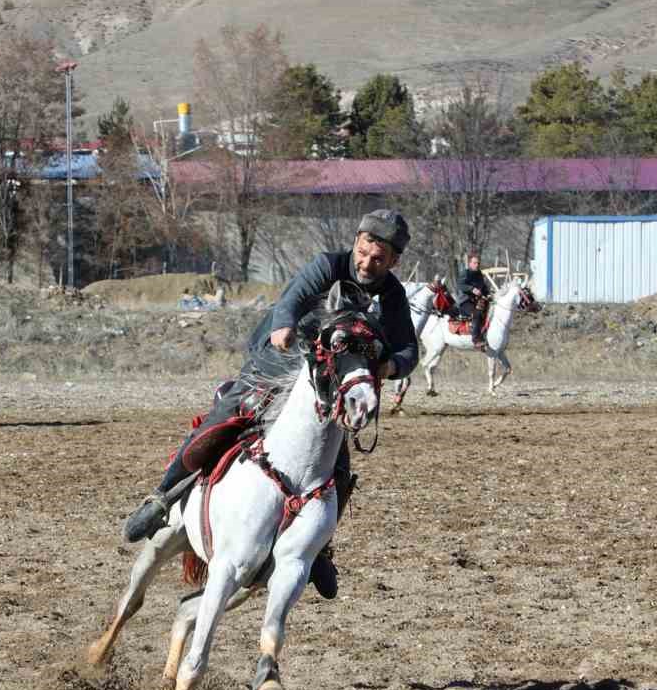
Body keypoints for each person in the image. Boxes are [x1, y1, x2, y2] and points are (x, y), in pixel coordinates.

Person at [121, 209, 419, 599]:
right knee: (225, 415)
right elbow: (291, 299)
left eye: (378, 259)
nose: (366, 263)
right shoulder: (327, 265)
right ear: (356, 242)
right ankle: (162, 497)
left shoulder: (393, 295)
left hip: (324, 384)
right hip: (280, 356)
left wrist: (389, 365)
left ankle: (320, 549)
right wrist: (284, 326)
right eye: (363, 252)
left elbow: (409, 350)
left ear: (394, 261)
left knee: (338, 466)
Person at [456, 252, 492, 349]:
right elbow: (460, 285)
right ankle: (476, 340)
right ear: (470, 263)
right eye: (475, 263)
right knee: (477, 313)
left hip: (476, 301)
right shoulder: (465, 273)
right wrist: (471, 289)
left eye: (478, 263)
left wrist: (488, 294)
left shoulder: (479, 274)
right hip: (465, 302)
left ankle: (487, 334)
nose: (477, 265)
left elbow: (483, 287)